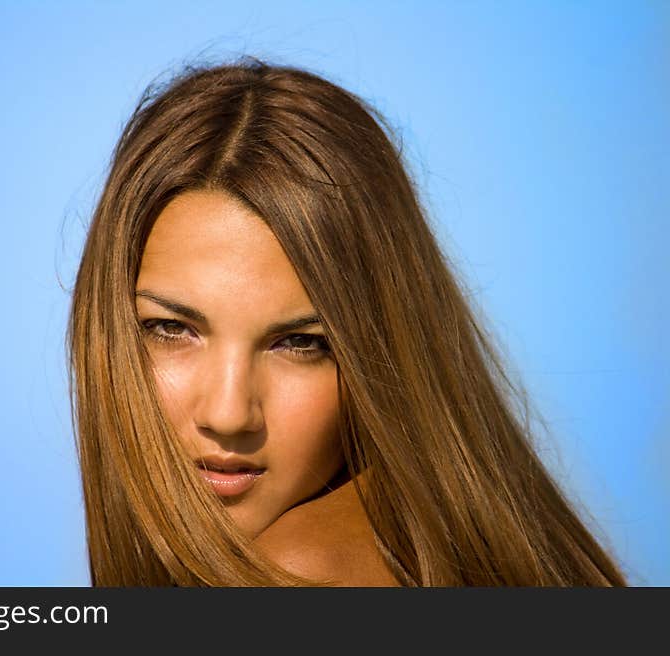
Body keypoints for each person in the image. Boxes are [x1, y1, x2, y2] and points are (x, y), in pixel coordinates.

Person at [66, 56, 628, 586]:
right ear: (106, 325)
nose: (229, 414)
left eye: (300, 343)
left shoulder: (297, 573)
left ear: (382, 352)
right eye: (173, 330)